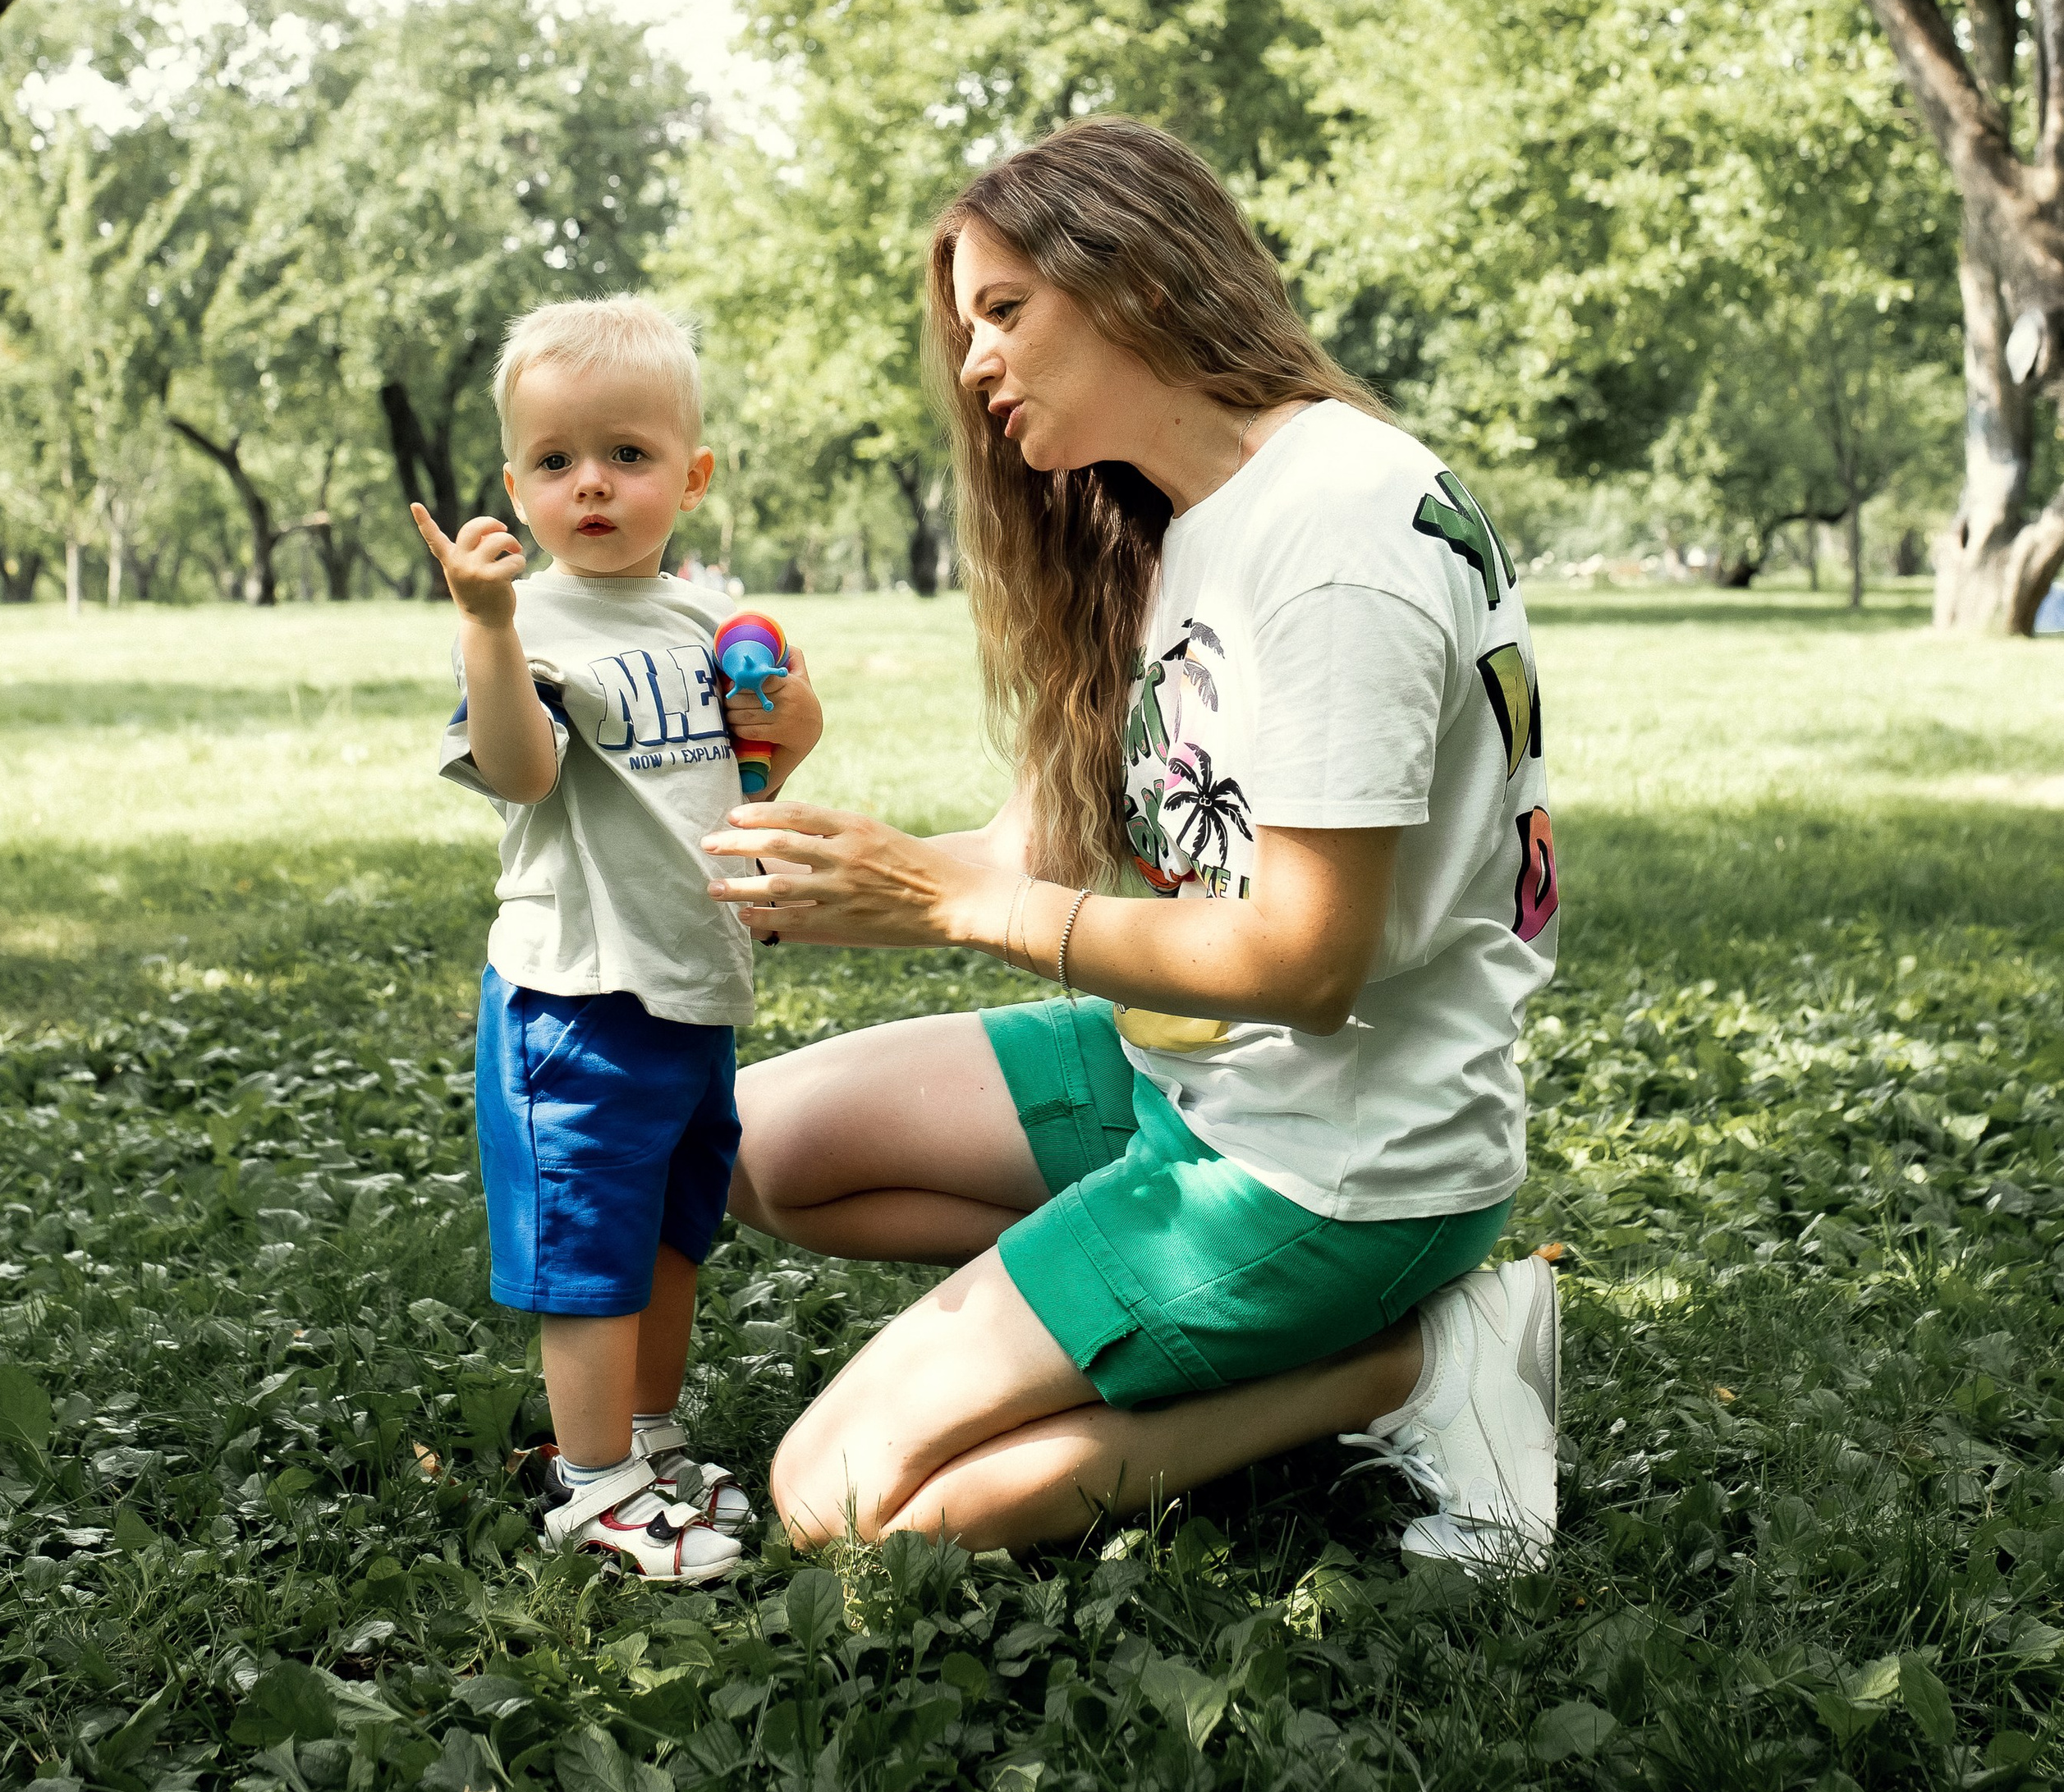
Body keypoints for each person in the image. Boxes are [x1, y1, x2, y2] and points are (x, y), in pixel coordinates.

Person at [705, 121, 1560, 1570]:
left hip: (1341, 1164)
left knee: (839, 1505)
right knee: (759, 1148)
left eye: (1004, 311)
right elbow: (1028, 847)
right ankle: (1131, 1304)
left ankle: (1407, 1362)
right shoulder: (1180, 519)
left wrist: (959, 906)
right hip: (1198, 1075)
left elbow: (1300, 959)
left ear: (1134, 275)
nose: (973, 364)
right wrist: (848, 875)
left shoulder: (1334, 534)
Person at [414, 293, 822, 1583]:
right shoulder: (529, 629)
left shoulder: (706, 623)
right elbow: (524, 773)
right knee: (591, 1252)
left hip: (693, 988)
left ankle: (645, 1438)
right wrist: (485, 627)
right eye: (555, 461)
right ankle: (594, 1486)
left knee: (667, 1232)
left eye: (628, 456)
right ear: (517, 487)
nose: (591, 484)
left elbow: (756, 766)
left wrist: (792, 724)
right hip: (577, 998)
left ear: (690, 476)